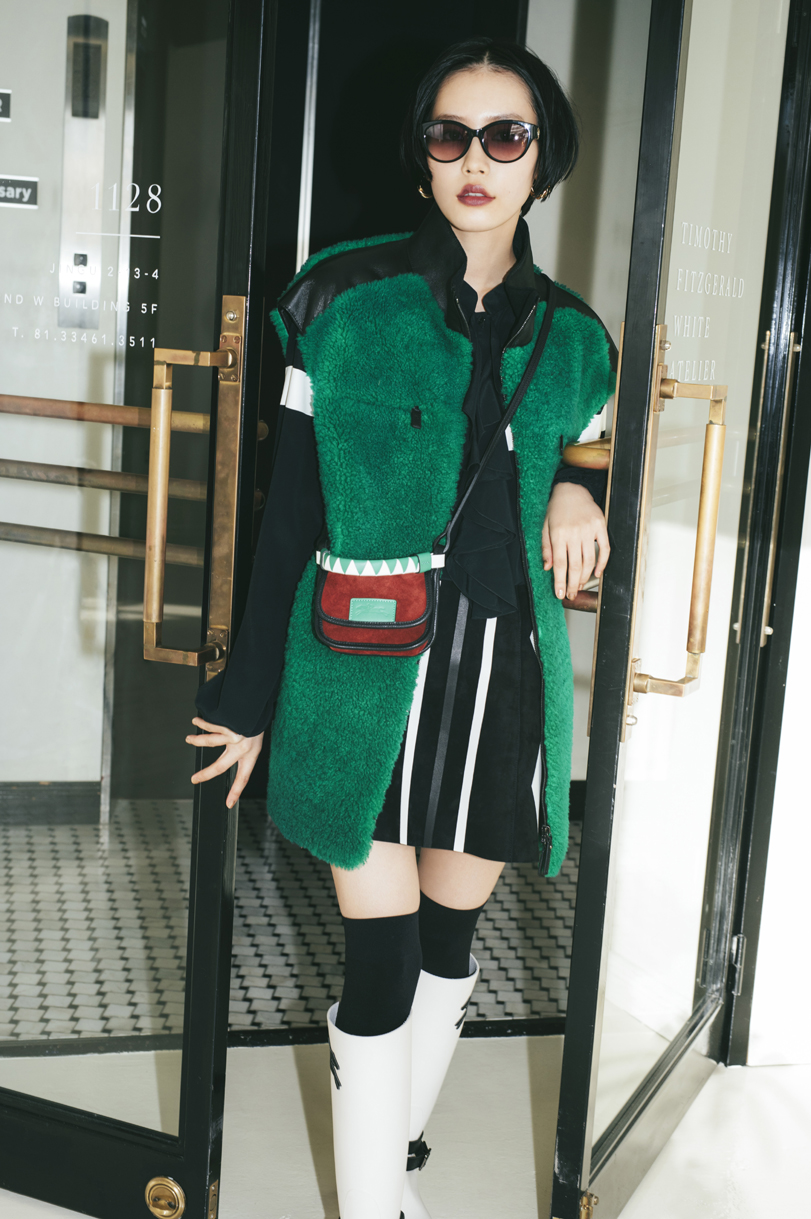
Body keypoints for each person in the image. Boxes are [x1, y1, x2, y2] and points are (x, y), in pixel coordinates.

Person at [188, 37, 616, 1219]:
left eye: (505, 136)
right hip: (360, 670)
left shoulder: (577, 337)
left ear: (542, 160)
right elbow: (287, 514)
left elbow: (592, 442)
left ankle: (394, 1151)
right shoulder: (335, 299)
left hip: (503, 678)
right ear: (421, 156)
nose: (476, 160)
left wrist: (580, 488)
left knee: (448, 944)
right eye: (449, 135)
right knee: (377, 956)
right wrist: (246, 699)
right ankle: (373, 1204)